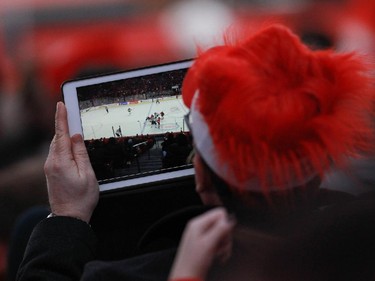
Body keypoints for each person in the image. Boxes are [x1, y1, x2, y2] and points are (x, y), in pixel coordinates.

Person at [16, 24, 375, 281]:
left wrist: (66, 218)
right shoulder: (359, 244)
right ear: (319, 163)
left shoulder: (125, 272)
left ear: (202, 178)